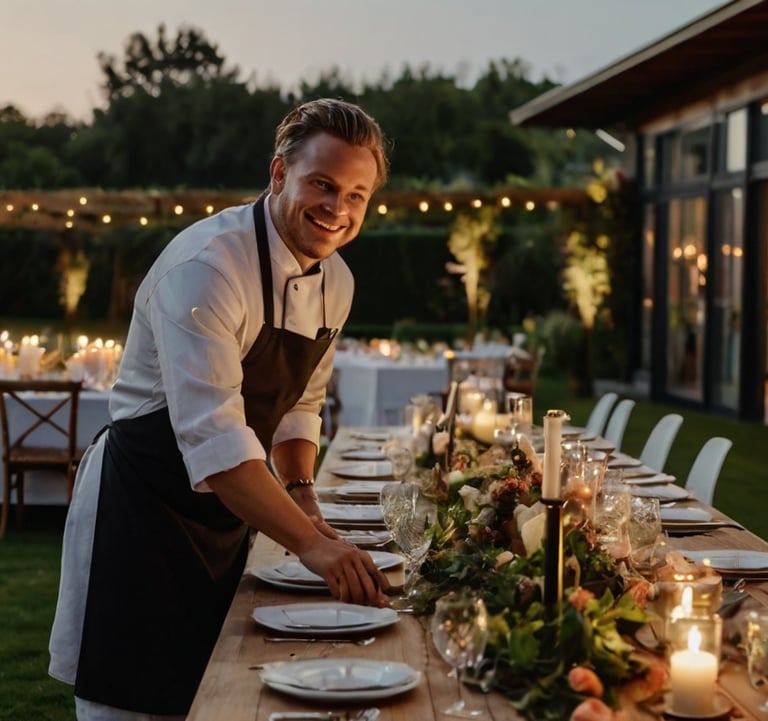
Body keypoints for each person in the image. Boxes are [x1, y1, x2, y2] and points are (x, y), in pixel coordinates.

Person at [49, 98, 392, 721]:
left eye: (356, 194)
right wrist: (311, 547)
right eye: (322, 183)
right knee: (131, 698)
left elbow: (300, 402)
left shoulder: (336, 282)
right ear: (279, 173)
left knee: (218, 694)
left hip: (230, 512)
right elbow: (217, 441)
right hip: (143, 511)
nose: (337, 208)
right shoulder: (208, 268)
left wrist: (301, 492)